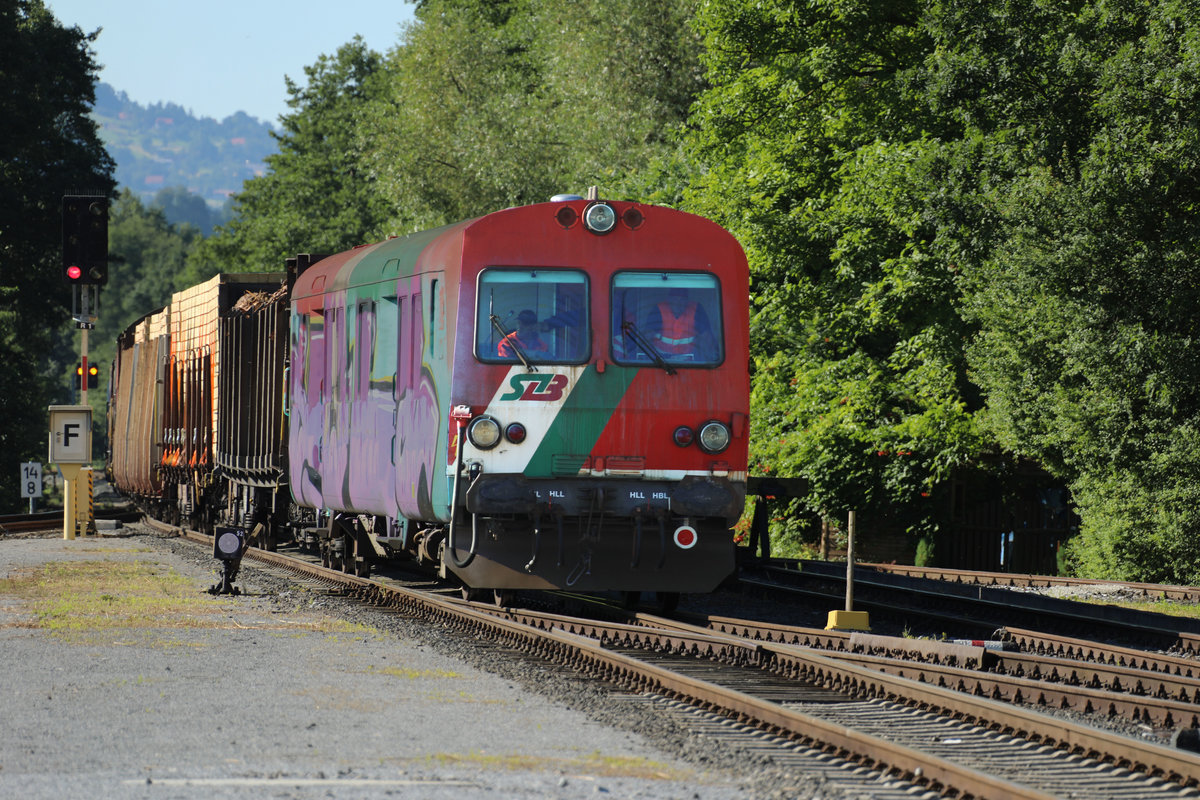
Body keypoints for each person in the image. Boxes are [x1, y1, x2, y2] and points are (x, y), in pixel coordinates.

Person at [645, 287, 715, 359]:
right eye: (675, 299)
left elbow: (707, 338)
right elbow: (647, 337)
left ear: (687, 301)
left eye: (682, 300)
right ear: (669, 300)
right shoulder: (659, 309)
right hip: (660, 359)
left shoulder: (696, 309)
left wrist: (713, 359)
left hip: (688, 360)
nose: (678, 303)